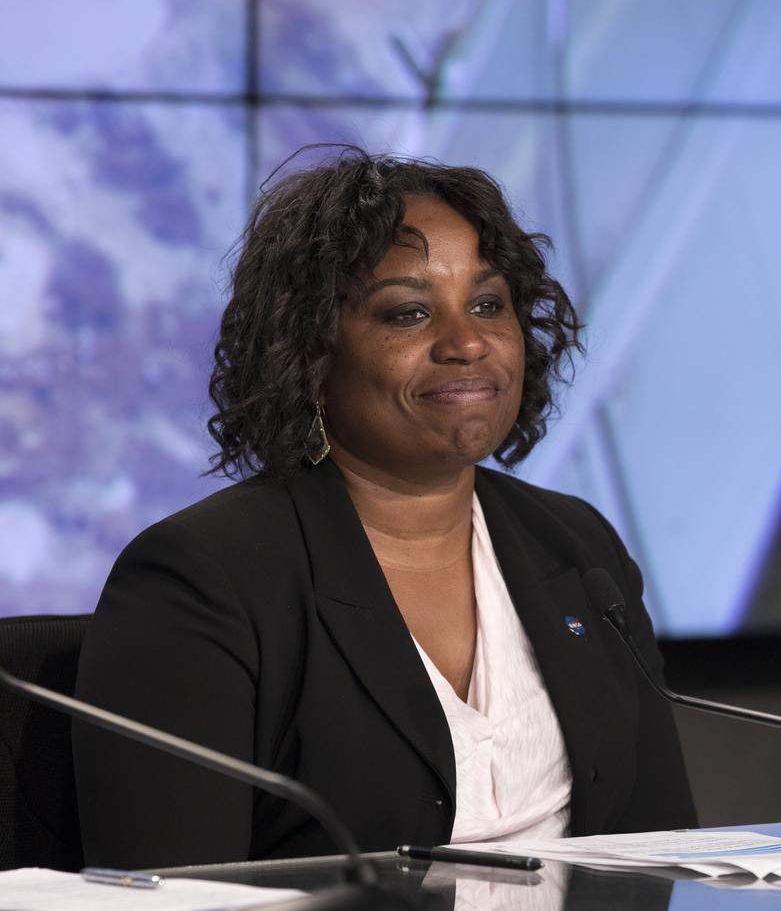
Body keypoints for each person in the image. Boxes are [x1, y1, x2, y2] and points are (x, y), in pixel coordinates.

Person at [73, 149, 696, 869]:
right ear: (307, 354)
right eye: (408, 313)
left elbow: (664, 859)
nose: (467, 343)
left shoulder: (574, 545)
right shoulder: (204, 578)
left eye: (489, 305)